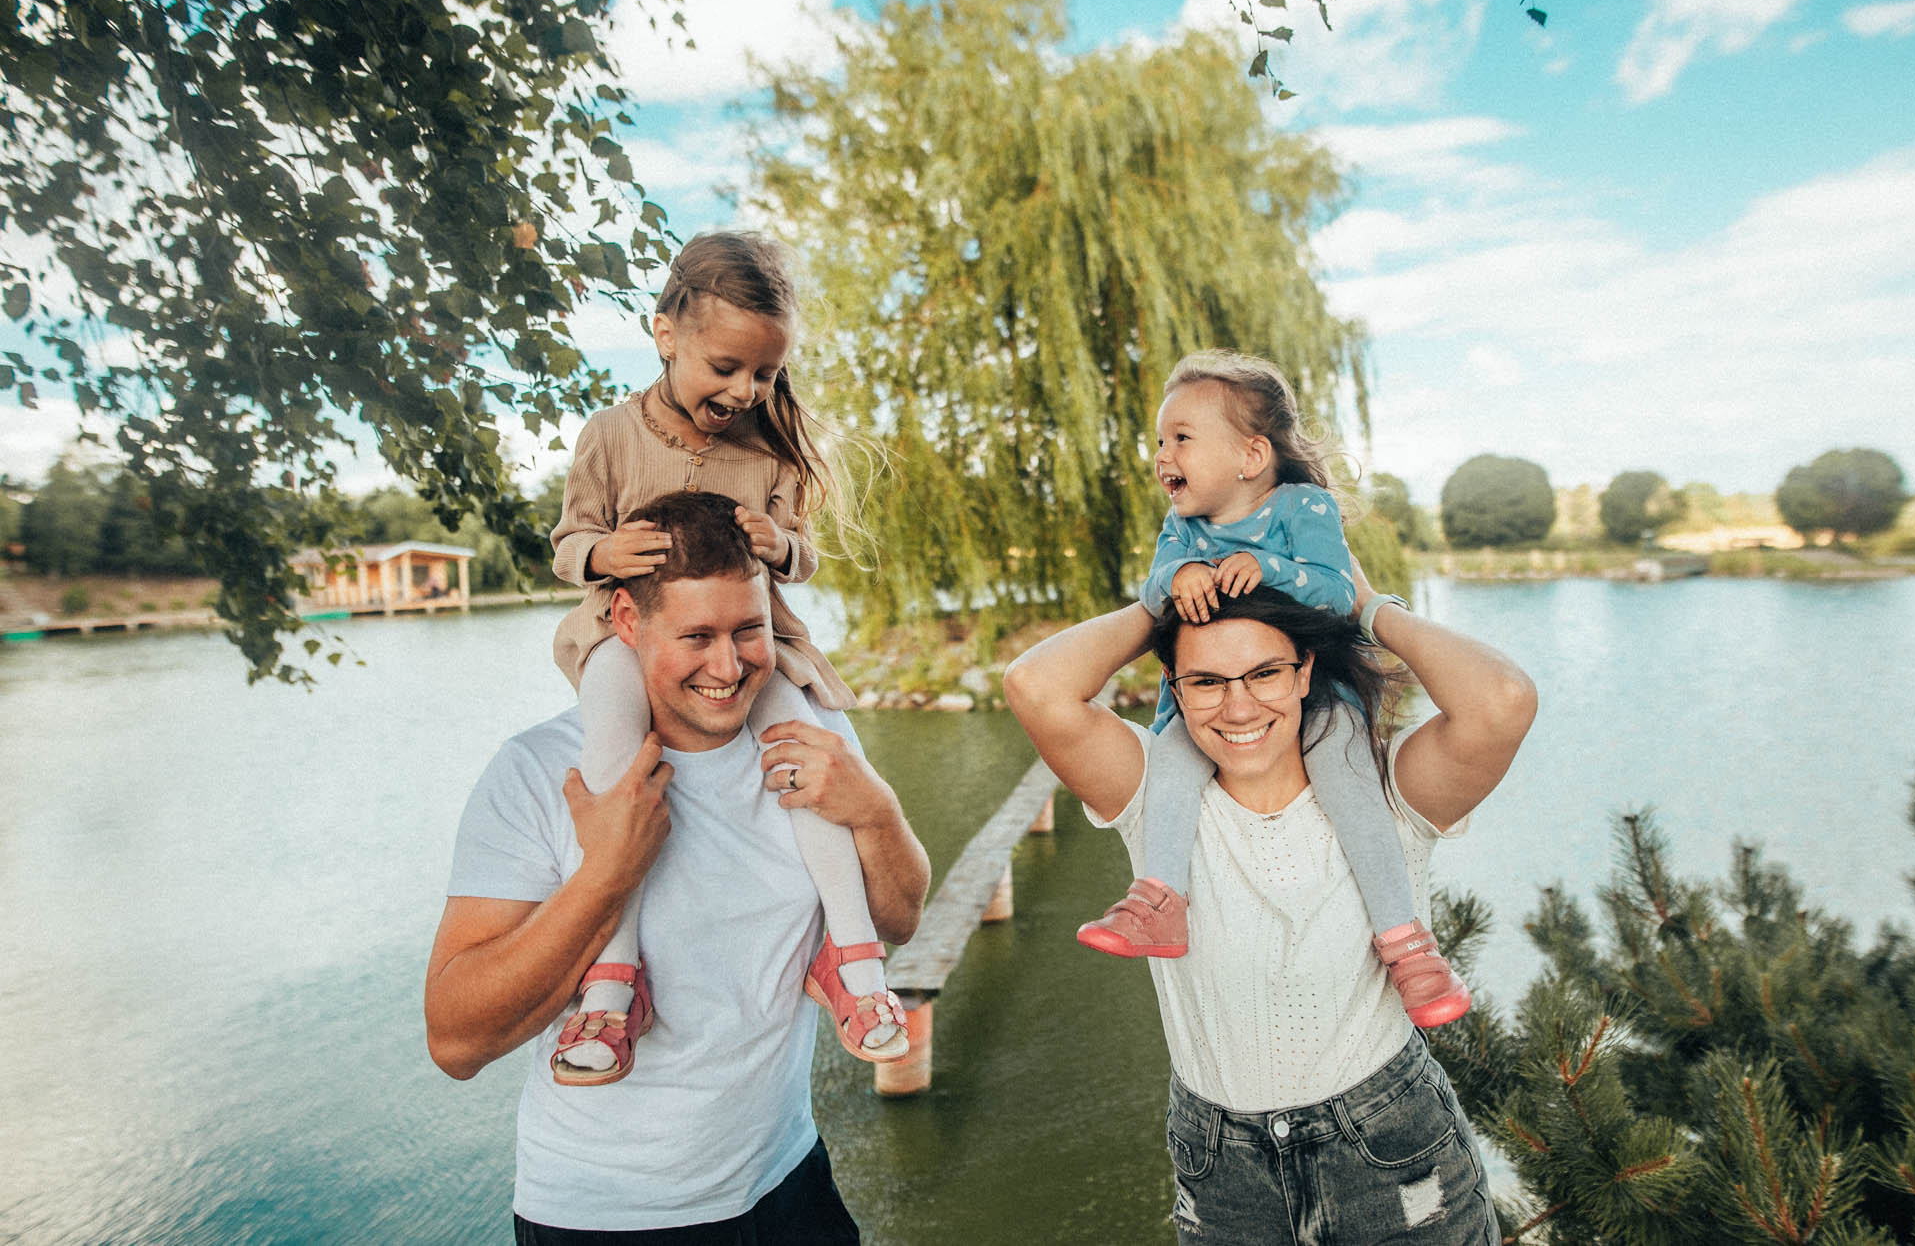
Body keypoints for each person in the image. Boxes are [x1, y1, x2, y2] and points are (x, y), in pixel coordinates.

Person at [426, 489, 930, 1242]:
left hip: (789, 1183)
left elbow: (901, 916)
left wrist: (875, 809)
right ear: (626, 621)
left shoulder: (811, 735)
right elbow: (456, 1041)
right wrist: (607, 874)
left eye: (748, 630)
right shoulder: (537, 772)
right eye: (696, 635)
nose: (728, 665)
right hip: (607, 1218)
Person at [1004, 585, 1535, 1244]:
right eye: (1205, 680)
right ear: (1172, 683)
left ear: (1305, 669)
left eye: (1264, 672)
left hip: (1391, 1155)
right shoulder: (1150, 796)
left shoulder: (1386, 791)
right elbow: (1034, 683)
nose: (1238, 705)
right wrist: (1163, 599)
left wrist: (1365, 603)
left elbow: (1504, 700)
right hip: (1224, 1172)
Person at [546, 231, 908, 1080]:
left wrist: (778, 541)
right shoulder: (609, 434)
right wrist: (605, 556)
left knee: (806, 757)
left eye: (765, 375)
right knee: (613, 758)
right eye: (725, 367)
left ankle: (853, 962)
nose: (744, 391)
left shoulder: (763, 454)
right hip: (622, 635)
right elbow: (569, 543)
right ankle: (611, 981)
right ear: (666, 333)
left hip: (757, 642)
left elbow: (806, 558)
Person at [1076, 349, 1470, 1027]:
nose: (1162, 454)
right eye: (1160, 441)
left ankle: (1406, 942)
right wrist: (1175, 581)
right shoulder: (1181, 527)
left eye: (1181, 438)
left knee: (1349, 779)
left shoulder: (1303, 505)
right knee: (1168, 759)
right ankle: (1161, 897)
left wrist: (1264, 565)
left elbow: (1335, 588)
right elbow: (1151, 586)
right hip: (1215, 699)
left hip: (1312, 688)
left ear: (1251, 454)